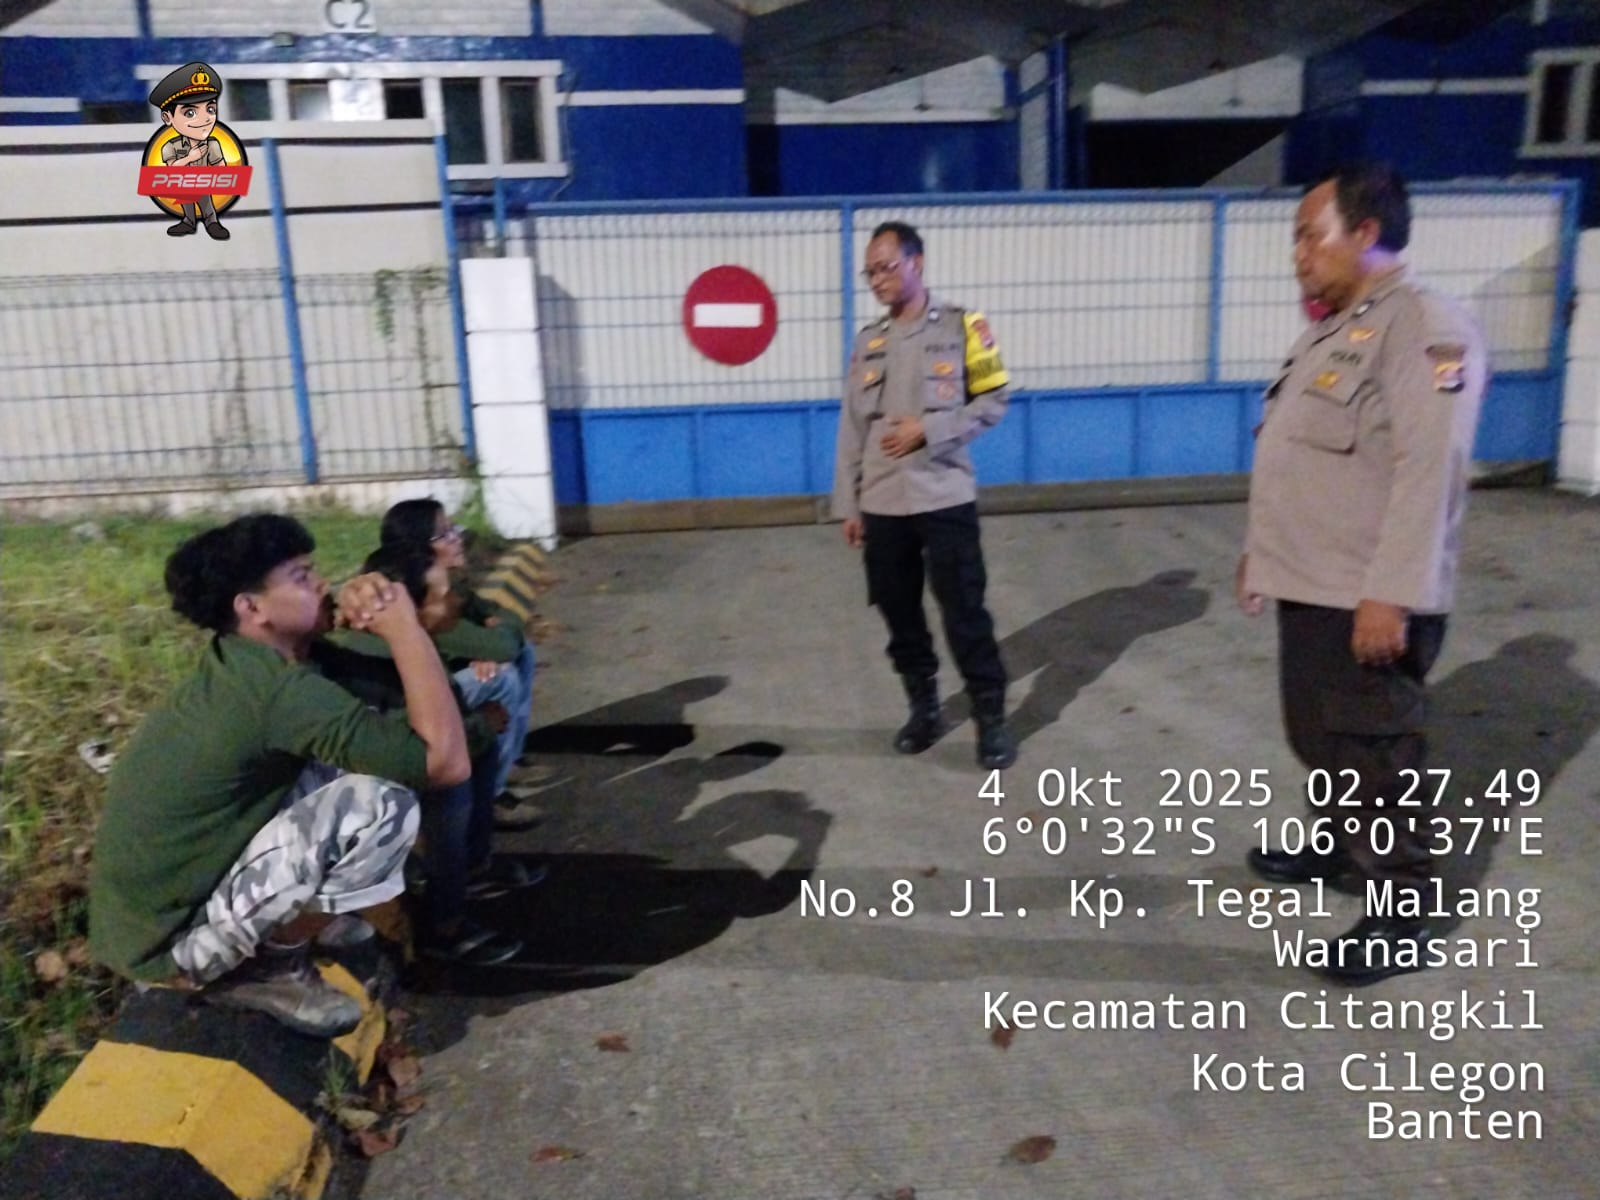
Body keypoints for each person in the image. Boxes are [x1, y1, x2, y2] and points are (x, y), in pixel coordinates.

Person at [1237, 162, 1487, 986]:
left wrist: (1393, 592)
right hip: (1313, 583)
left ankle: (1403, 916)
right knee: (1322, 738)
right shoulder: (1333, 330)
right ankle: (1343, 850)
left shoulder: (1421, 327)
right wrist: (1262, 553)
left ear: (1367, 233)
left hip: (1366, 595)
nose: (1298, 252)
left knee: (1375, 755)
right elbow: (1299, 457)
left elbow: (1430, 468)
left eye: (1311, 235)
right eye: (1297, 238)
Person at [88, 514, 469, 1036]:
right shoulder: (278, 693)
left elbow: (412, 702)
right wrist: (403, 627)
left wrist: (389, 620)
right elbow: (445, 763)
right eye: (301, 576)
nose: (323, 583)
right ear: (252, 608)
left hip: (147, 920)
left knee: (356, 751)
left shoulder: (249, 662)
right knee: (383, 803)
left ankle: (282, 924)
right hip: (171, 947)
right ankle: (267, 966)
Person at [832, 220, 1016, 769]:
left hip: (944, 495)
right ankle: (924, 709)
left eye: (886, 267)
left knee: (965, 612)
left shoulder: (965, 327)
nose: (877, 280)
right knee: (899, 613)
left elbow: (993, 401)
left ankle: (990, 718)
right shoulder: (868, 341)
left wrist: (928, 431)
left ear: (917, 263)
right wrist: (849, 503)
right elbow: (852, 426)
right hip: (883, 502)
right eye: (869, 272)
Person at [348, 543, 532, 964]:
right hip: (360, 786)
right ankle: (443, 924)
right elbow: (416, 746)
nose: (455, 602)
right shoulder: (379, 659)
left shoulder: (411, 640)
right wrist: (481, 725)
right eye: (442, 595)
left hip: (386, 765)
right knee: (452, 783)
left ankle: (468, 869)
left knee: (475, 746)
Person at [379, 498, 541, 828]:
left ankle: (509, 761)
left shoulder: (447, 582)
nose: (457, 538)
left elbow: (500, 617)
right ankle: (492, 796)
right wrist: (488, 642)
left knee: (521, 653)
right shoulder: (421, 596)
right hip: (400, 705)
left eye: (454, 529)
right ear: (418, 547)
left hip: (433, 682)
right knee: (501, 678)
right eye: (445, 534)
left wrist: (486, 642)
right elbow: (502, 642)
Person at [149, 62, 231, 240]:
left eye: (210, 109)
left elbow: (222, 169)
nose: (205, 119)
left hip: (204, 183)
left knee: (203, 194)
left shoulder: (213, 144)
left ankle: (211, 222)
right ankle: (189, 221)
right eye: (190, 113)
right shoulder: (170, 146)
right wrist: (189, 158)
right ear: (167, 118)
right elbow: (171, 171)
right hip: (184, 184)